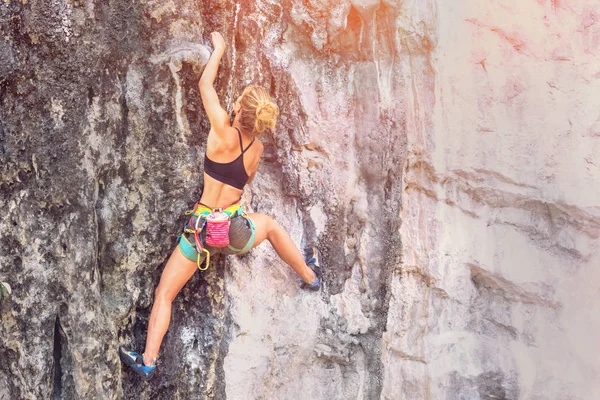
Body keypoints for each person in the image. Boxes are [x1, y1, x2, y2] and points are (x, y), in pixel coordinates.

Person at [119, 32, 322, 381]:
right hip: (233, 233)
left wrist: (220, 50)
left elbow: (204, 85)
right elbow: (242, 186)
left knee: (164, 293)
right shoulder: (255, 150)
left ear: (239, 109)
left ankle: (148, 360)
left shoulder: (221, 132)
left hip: (200, 234)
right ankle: (309, 276)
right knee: (271, 226)